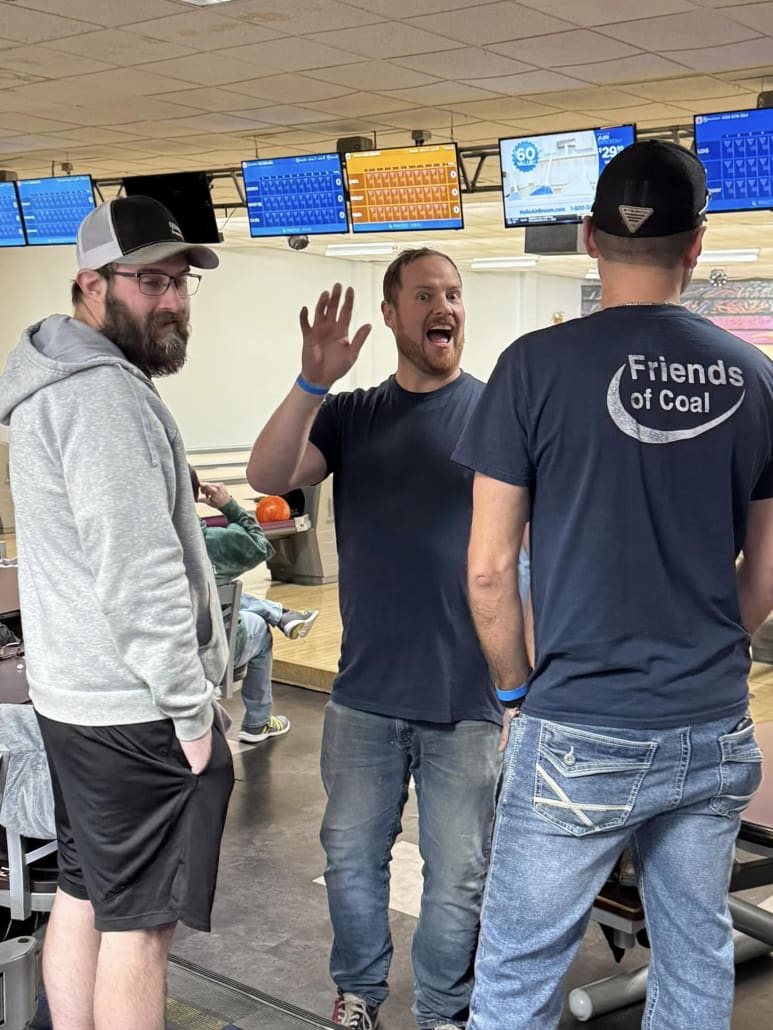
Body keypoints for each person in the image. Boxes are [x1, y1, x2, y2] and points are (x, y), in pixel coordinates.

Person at [454, 140, 773, 1029]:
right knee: (696, 954)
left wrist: (515, 690)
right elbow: (769, 569)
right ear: (697, 247)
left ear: (589, 240)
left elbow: (487, 571)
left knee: (517, 978)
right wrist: (717, 644)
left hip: (578, 725)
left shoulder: (529, 368)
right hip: (709, 724)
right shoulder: (757, 381)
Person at [246, 250, 503, 1030]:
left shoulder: (496, 414)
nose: (445, 307)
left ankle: (442, 1014)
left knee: (457, 878)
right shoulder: (351, 414)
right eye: (425, 295)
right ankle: (358, 996)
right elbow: (268, 474)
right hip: (363, 697)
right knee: (351, 862)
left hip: (468, 699)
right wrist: (311, 380)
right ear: (390, 315)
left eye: (454, 294)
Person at [0, 195, 236, 1030]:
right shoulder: (101, 397)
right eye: (148, 281)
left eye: (178, 283)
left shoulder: (49, 380)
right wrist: (192, 712)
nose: (170, 300)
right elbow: (140, 575)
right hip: (135, 712)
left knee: (83, 891)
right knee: (140, 928)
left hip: (72, 700)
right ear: (91, 285)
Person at [190, 467, 319, 743]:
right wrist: (230, 507)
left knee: (218, 594)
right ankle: (258, 722)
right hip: (211, 652)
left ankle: (280, 613)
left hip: (158, 655)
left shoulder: (136, 548)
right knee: (256, 626)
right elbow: (260, 543)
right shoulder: (211, 543)